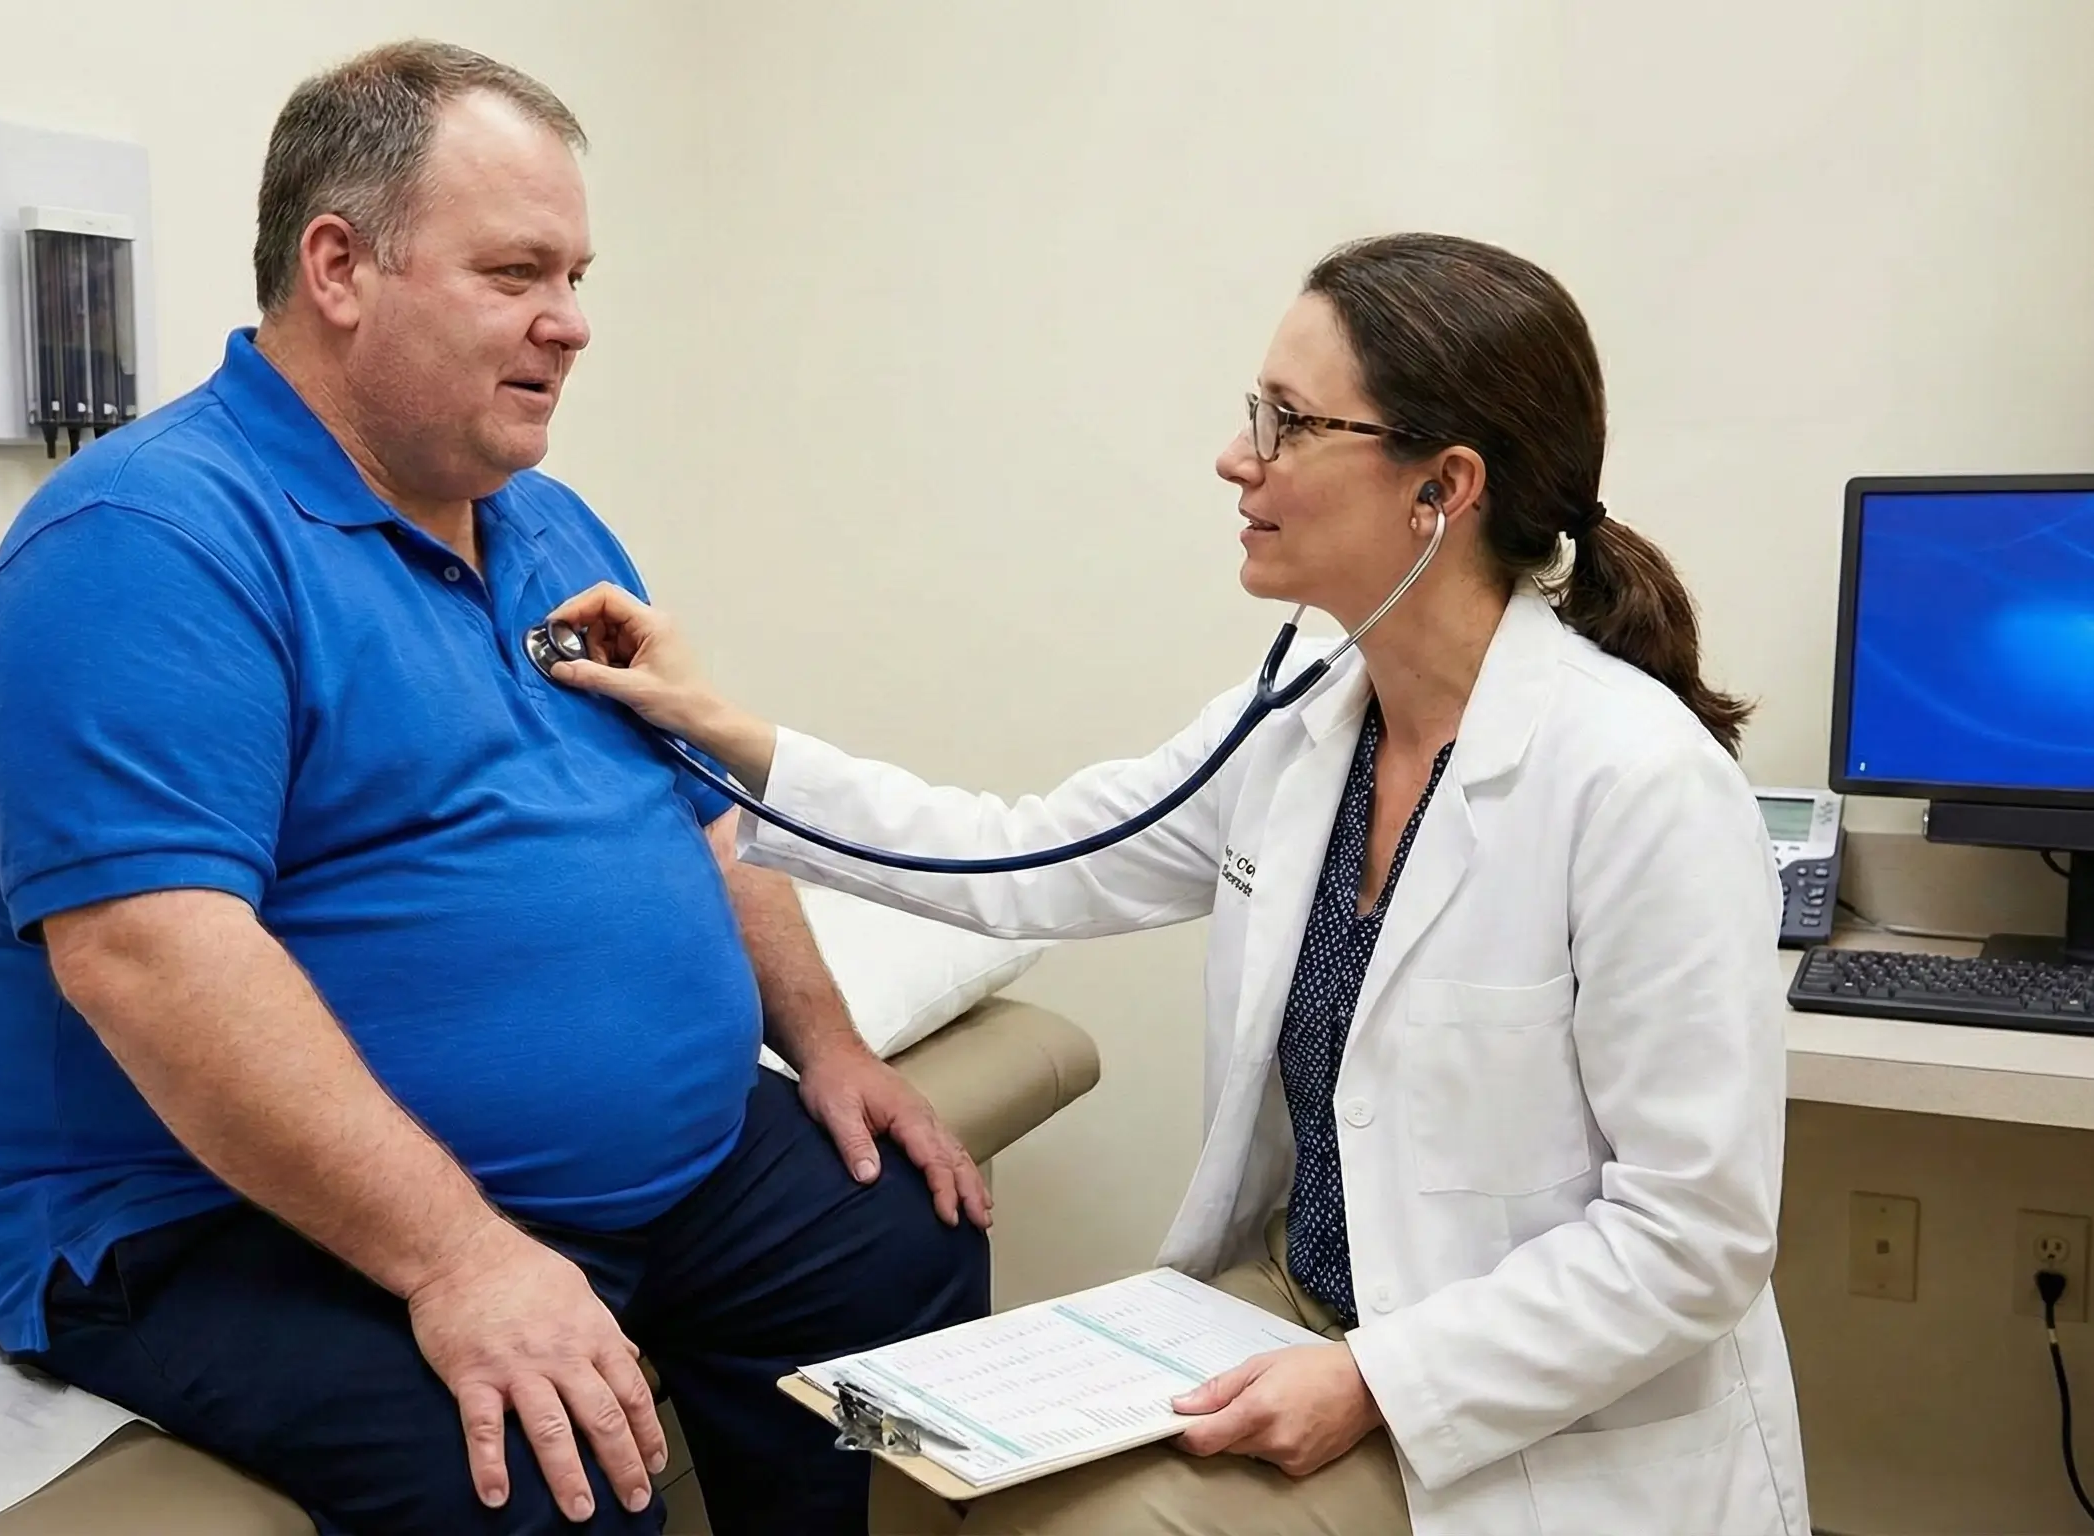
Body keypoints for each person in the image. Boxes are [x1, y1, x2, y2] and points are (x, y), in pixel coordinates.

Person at [544, 232, 1809, 1536]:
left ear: (1441, 486)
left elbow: (1690, 1242)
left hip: (1521, 1400)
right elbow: (1023, 856)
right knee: (908, 1470)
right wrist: (717, 730)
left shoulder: (1637, 786)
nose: (1235, 455)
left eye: (1286, 421)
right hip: (1298, 1305)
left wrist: (1376, 1379)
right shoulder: (1306, 723)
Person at [0, 40, 990, 1536]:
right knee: (541, 1475)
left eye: (578, 274)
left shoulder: (539, 521)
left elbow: (693, 811)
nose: (571, 324)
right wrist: (459, 1261)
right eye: (515, 274)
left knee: (895, 1241)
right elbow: (153, 961)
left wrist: (830, 1046)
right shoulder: (145, 547)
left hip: (627, 1172)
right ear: (340, 267)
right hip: (211, 1211)